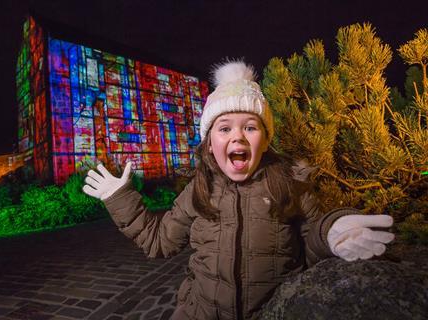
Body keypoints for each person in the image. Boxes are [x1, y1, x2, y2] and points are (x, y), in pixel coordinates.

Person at [82, 60, 395, 319]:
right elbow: (159, 242)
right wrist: (119, 198)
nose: (238, 137)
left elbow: (312, 242)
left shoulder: (289, 183)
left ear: (265, 138)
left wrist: (332, 230)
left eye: (250, 126)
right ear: (210, 142)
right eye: (224, 127)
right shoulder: (198, 190)